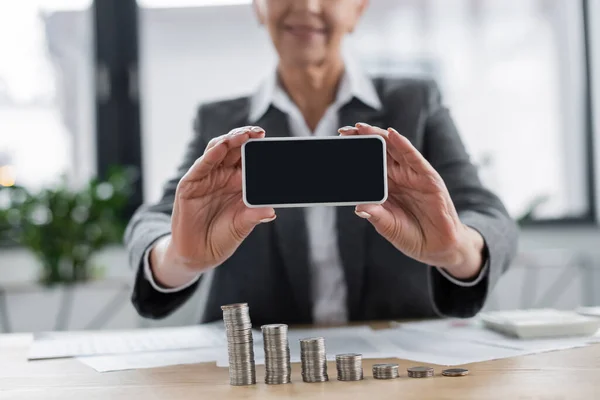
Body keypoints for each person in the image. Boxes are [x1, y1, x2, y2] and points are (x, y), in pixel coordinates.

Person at [125, 0, 518, 327]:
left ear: (359, 8)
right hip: (260, 371)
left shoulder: (414, 103)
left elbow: (488, 216)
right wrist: (178, 257)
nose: (308, 6)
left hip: (399, 365)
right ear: (257, 7)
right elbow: (152, 221)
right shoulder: (221, 124)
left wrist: (458, 250)